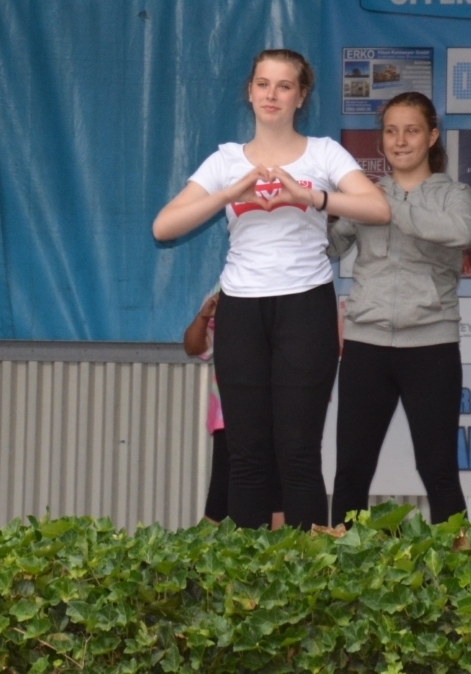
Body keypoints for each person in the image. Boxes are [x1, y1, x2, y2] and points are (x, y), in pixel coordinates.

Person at [153, 49, 389, 529]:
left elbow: (378, 208)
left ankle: (306, 567)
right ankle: (248, 571)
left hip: (306, 307)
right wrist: (227, 193)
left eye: (284, 86)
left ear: (301, 96)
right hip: (241, 309)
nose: (272, 95)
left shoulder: (323, 152)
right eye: (263, 84)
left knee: (298, 451)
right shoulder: (225, 160)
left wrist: (311, 196)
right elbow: (164, 226)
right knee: (246, 453)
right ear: (250, 92)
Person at [327, 92, 471, 525]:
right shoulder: (366, 195)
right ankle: (343, 561)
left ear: (432, 136)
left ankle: (458, 562)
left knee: (438, 469)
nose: (400, 140)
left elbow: (460, 232)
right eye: (391, 131)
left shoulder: (455, 194)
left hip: (432, 346)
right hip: (365, 344)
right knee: (351, 469)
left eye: (411, 130)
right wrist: (310, 211)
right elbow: (330, 247)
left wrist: (383, 206)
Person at [183, 288, 284, 529]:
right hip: (230, 414)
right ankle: (202, 553)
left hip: (280, 413)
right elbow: (193, 347)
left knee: (278, 499)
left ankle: (281, 552)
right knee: (220, 501)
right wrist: (204, 317)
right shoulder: (225, 287)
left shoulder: (291, 286)